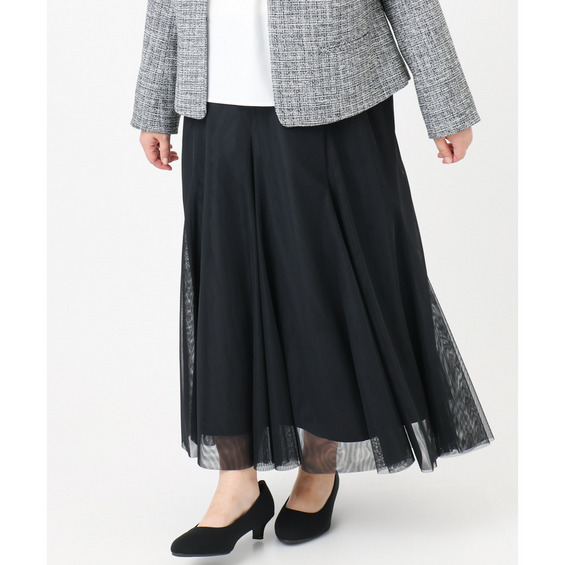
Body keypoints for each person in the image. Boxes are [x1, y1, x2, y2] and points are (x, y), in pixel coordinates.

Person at [131, 0, 495, 557]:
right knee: (225, 297)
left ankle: (320, 465)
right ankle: (236, 484)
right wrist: (154, 104)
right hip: (213, 103)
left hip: (333, 93)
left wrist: (445, 106)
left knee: (321, 294)